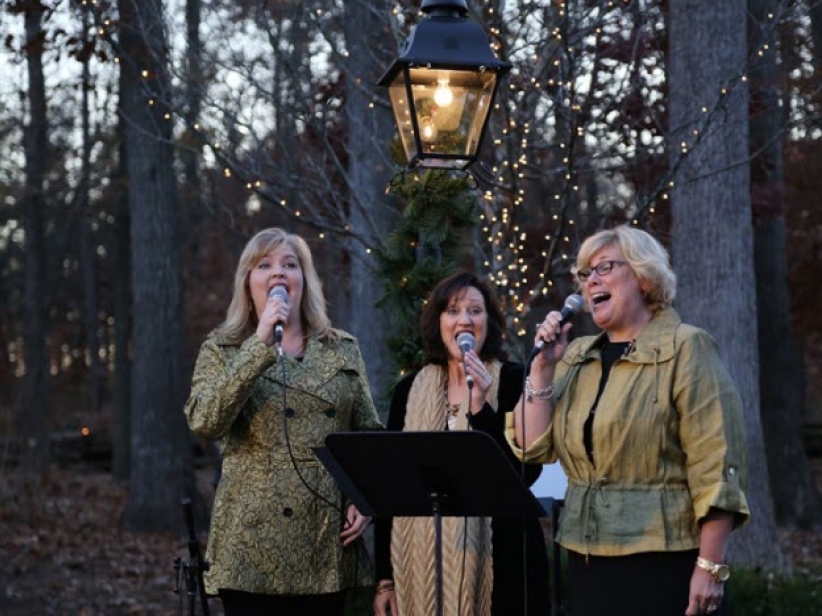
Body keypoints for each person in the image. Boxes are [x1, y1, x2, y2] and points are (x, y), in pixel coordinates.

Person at [508, 226, 750, 616]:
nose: (592, 281)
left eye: (604, 267)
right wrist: (541, 370)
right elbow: (530, 445)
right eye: (585, 274)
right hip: (589, 561)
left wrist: (710, 567)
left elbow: (718, 465)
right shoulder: (575, 357)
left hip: (665, 561)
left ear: (643, 276)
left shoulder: (686, 347)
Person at [183, 227, 384, 615]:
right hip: (251, 541)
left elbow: (368, 436)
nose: (278, 273)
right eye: (265, 265)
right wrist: (258, 346)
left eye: (290, 265)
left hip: (324, 537)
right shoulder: (222, 350)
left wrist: (364, 497)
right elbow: (204, 421)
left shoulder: (341, 348)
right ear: (248, 282)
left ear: (303, 282)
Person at [373, 271, 551, 616]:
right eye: (453, 311)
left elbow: (524, 474)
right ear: (438, 322)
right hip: (423, 566)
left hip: (505, 568)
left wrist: (482, 407)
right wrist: (385, 580)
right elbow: (390, 490)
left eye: (475, 310)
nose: (464, 320)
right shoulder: (409, 391)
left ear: (489, 322)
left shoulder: (516, 380)